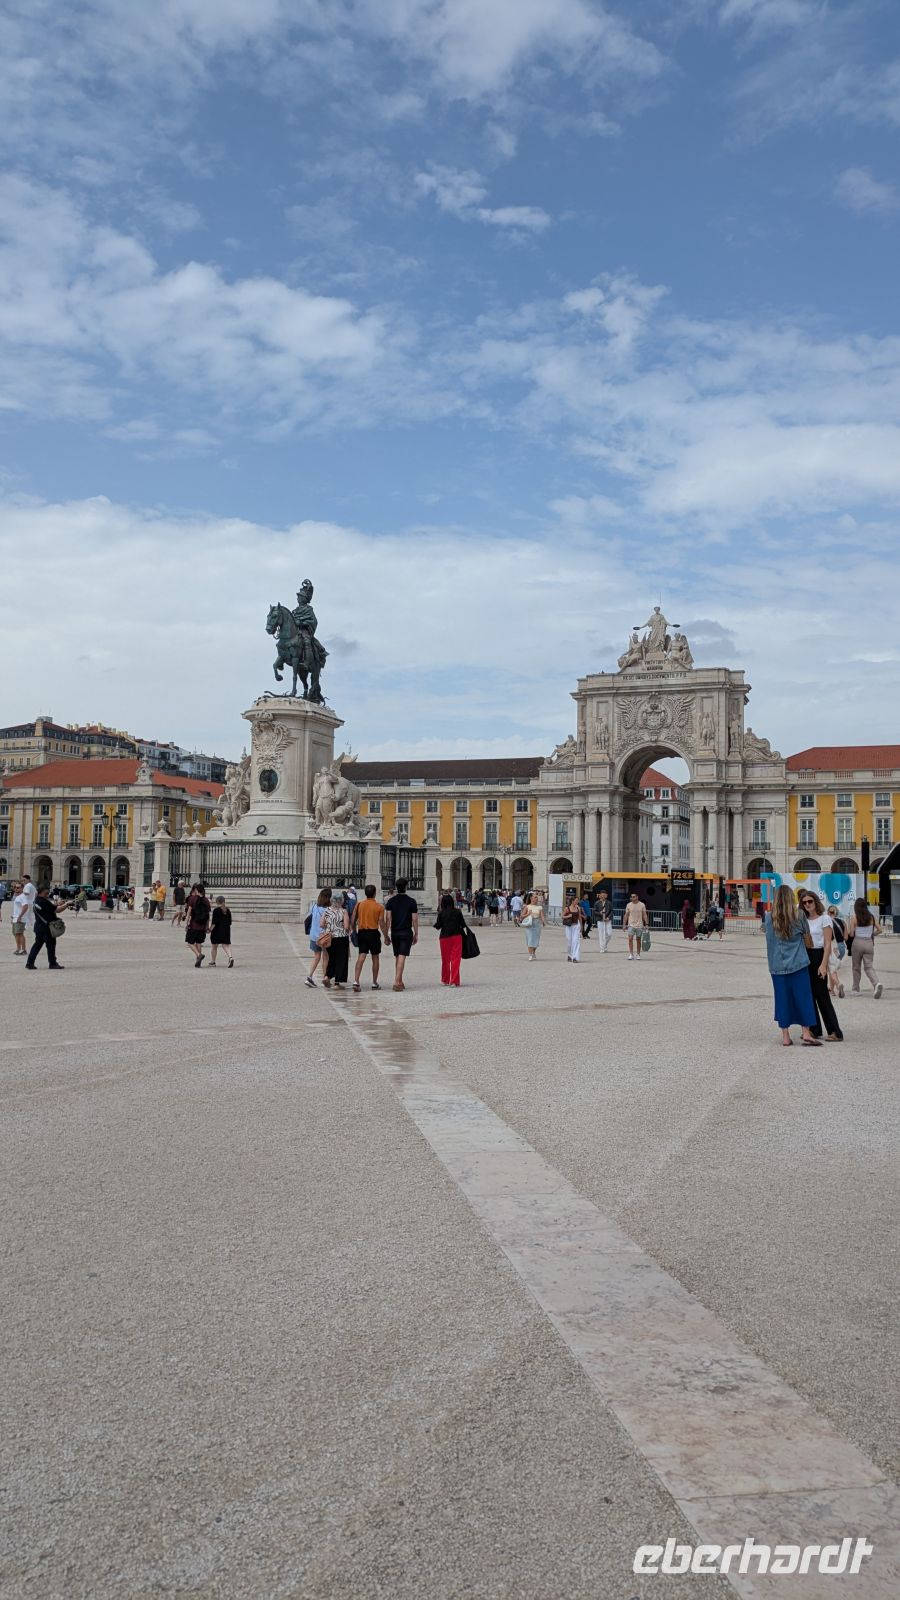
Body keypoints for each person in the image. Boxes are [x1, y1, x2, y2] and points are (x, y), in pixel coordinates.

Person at [764, 884, 820, 1046]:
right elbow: (807, 938)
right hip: (798, 963)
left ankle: (786, 1036)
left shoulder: (768, 917)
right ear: (791, 898)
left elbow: (767, 936)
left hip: (777, 965)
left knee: (782, 999)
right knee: (803, 997)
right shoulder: (800, 915)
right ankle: (806, 1032)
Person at [797, 890, 843, 1040]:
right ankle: (814, 1029)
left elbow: (827, 943)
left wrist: (823, 965)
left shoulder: (825, 919)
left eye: (810, 901)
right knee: (808, 995)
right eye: (804, 902)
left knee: (822, 995)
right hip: (805, 956)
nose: (807, 904)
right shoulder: (802, 919)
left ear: (816, 902)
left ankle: (835, 1031)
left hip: (818, 955)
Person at [384, 878, 419, 992]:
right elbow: (414, 919)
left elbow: (388, 919)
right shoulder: (411, 901)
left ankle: (400, 980)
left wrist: (386, 934)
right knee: (402, 956)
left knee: (397, 956)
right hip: (406, 931)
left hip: (395, 932)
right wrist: (416, 933)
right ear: (406, 887)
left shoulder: (391, 901)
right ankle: (396, 982)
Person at [25, 884, 69, 970]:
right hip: (47, 928)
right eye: (46, 893)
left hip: (39, 927)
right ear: (40, 893)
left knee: (37, 945)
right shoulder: (43, 901)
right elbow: (57, 910)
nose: (47, 894)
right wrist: (67, 904)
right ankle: (52, 963)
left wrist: (59, 904)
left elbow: (51, 907)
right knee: (51, 946)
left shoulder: (37, 900)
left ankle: (30, 963)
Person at [352, 884, 386, 992]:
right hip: (373, 933)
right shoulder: (379, 907)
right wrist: (386, 936)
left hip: (362, 932)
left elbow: (353, 920)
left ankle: (356, 981)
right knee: (375, 957)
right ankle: (374, 982)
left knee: (361, 956)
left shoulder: (359, 904)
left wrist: (354, 931)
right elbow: (381, 922)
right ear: (375, 893)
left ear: (365, 893)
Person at [846, 898, 883, 998]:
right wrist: (872, 934)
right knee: (869, 967)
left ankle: (855, 989)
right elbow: (880, 930)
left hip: (857, 942)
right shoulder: (872, 917)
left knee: (856, 967)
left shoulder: (854, 918)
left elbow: (851, 933)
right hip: (869, 943)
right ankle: (876, 984)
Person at [434, 893, 466, 986]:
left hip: (444, 937)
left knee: (445, 959)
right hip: (456, 936)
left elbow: (438, 926)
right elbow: (463, 924)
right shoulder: (458, 912)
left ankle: (445, 979)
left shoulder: (441, 913)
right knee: (455, 959)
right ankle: (454, 981)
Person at [322, 891, 351, 989]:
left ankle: (327, 976)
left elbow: (321, 924)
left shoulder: (327, 910)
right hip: (341, 938)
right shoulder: (343, 911)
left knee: (332, 959)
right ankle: (337, 983)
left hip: (330, 937)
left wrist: (330, 926)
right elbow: (346, 926)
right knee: (341, 960)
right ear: (341, 901)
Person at [306, 887, 332, 987]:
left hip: (313, 935)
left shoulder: (314, 906)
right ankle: (325, 978)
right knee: (325, 957)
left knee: (316, 957)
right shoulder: (328, 910)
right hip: (323, 936)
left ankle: (309, 976)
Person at [185, 883, 211, 967]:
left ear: (196, 890)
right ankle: (198, 961)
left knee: (190, 942)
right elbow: (208, 915)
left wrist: (186, 922)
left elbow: (189, 912)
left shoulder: (192, 898)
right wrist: (207, 926)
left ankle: (198, 955)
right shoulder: (206, 900)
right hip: (202, 925)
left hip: (194, 924)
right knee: (199, 943)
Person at [826, 904, 846, 1000]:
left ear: (828, 913)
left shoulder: (828, 922)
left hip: (832, 946)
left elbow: (828, 937)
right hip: (841, 947)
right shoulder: (842, 922)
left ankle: (836, 986)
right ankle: (832, 989)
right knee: (833, 968)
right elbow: (846, 937)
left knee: (831, 969)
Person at [209, 897, 234, 967]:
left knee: (214, 946)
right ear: (224, 901)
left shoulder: (216, 910)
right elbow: (230, 922)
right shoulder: (228, 910)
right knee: (225, 945)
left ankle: (213, 962)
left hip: (217, 930)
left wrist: (210, 930)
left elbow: (214, 922)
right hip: (226, 930)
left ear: (217, 902)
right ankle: (230, 957)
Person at [520, 891, 545, 961]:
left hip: (537, 924)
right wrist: (528, 914)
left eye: (537, 897)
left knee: (536, 940)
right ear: (531, 898)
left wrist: (543, 921)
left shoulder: (540, 907)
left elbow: (542, 915)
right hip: (529, 924)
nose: (536, 899)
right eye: (535, 897)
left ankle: (533, 952)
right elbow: (522, 915)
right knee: (530, 939)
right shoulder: (527, 906)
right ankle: (530, 954)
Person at [624, 892, 648, 960]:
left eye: (634, 896)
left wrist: (646, 924)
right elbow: (626, 915)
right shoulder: (628, 905)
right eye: (631, 897)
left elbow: (644, 915)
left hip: (639, 925)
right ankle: (631, 954)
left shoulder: (642, 905)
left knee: (638, 940)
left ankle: (638, 954)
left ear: (637, 897)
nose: (632, 898)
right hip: (631, 925)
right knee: (630, 939)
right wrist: (624, 925)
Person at [562, 891, 585, 963]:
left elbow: (580, 918)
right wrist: (568, 916)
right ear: (572, 901)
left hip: (576, 926)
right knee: (569, 942)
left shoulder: (578, 908)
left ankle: (575, 957)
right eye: (576, 900)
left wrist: (581, 927)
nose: (577, 902)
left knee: (576, 941)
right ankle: (569, 954)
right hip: (569, 926)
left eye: (578, 901)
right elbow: (562, 916)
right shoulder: (567, 908)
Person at [11, 882, 31, 955]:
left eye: (18, 887)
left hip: (20, 918)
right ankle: (18, 949)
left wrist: (20, 916)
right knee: (16, 934)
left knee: (20, 934)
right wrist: (13, 916)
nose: (16, 889)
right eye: (15, 887)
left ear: (22, 888)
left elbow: (25, 906)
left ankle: (23, 950)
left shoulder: (22, 896)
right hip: (15, 918)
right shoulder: (17, 896)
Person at [594, 889, 613, 953]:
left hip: (607, 920)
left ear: (606, 896)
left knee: (609, 934)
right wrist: (600, 913)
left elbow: (611, 911)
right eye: (602, 895)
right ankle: (602, 948)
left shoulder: (609, 903)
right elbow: (594, 911)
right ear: (600, 895)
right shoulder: (597, 903)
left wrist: (608, 917)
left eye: (604, 895)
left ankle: (604, 945)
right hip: (600, 920)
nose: (603, 896)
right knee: (601, 934)